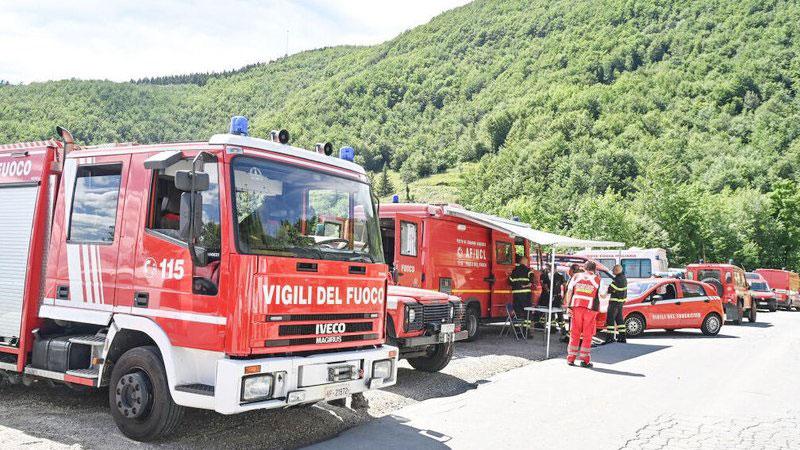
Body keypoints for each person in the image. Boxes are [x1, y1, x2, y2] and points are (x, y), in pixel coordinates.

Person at [565, 261, 601, 368]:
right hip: (590, 309)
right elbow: (603, 295)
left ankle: (570, 359)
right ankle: (584, 360)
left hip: (576, 307)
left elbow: (569, 291)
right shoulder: (597, 279)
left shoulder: (576, 276)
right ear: (594, 269)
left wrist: (568, 306)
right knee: (587, 335)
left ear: (584, 268)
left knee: (574, 333)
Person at [535, 265, 567, 337]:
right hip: (550, 297)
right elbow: (544, 285)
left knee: (559, 313)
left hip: (557, 297)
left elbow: (564, 285)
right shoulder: (546, 275)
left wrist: (564, 295)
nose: (550, 270)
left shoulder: (559, 275)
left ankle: (562, 329)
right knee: (552, 313)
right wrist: (548, 291)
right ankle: (553, 328)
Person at [604, 264, 628, 344]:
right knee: (619, 320)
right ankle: (622, 338)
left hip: (614, 303)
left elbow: (610, 289)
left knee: (610, 320)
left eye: (613, 270)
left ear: (617, 270)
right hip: (620, 303)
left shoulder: (617, 279)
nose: (612, 271)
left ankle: (610, 338)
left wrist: (607, 290)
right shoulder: (624, 278)